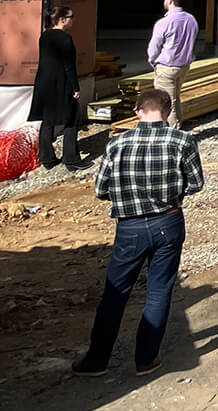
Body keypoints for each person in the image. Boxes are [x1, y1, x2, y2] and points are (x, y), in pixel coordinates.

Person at [71, 88, 204, 377]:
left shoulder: (117, 144)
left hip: (129, 227)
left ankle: (96, 360)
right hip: (168, 222)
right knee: (159, 290)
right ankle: (145, 358)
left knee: (115, 294)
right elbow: (196, 184)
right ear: (168, 111)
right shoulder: (183, 141)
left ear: (137, 112)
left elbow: (100, 190)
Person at [30, 6, 85, 171]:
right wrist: (75, 87)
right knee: (71, 118)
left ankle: (46, 157)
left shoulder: (44, 36)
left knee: (47, 120)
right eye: (71, 16)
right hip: (61, 83)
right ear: (62, 19)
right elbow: (69, 66)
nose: (72, 19)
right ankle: (71, 158)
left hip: (43, 83)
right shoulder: (65, 39)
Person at [146, 0, 198, 130]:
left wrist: (152, 60)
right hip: (184, 66)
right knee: (175, 98)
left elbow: (154, 46)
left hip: (167, 66)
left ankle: (173, 132)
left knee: (167, 102)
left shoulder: (164, 22)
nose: (164, 1)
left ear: (170, 1)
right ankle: (179, 125)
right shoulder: (191, 19)